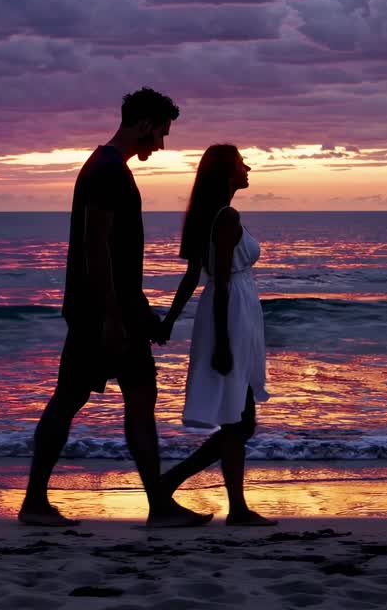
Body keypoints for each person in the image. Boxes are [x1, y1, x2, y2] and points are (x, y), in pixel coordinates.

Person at [19, 87, 211, 528]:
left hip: (113, 310)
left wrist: (131, 311)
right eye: (161, 133)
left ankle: (38, 501)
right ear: (143, 123)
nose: (161, 144)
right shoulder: (106, 169)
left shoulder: (107, 167)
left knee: (101, 398)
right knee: (100, 399)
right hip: (105, 314)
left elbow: (110, 253)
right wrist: (111, 316)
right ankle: (154, 506)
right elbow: (95, 246)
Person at [155, 144, 275, 526]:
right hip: (230, 313)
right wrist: (222, 342)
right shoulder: (226, 217)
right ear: (227, 173)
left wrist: (170, 320)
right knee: (240, 421)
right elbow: (219, 281)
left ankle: (236, 507)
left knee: (238, 419)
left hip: (229, 312)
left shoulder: (210, 215)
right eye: (241, 163)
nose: (248, 167)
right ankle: (172, 482)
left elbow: (193, 276)